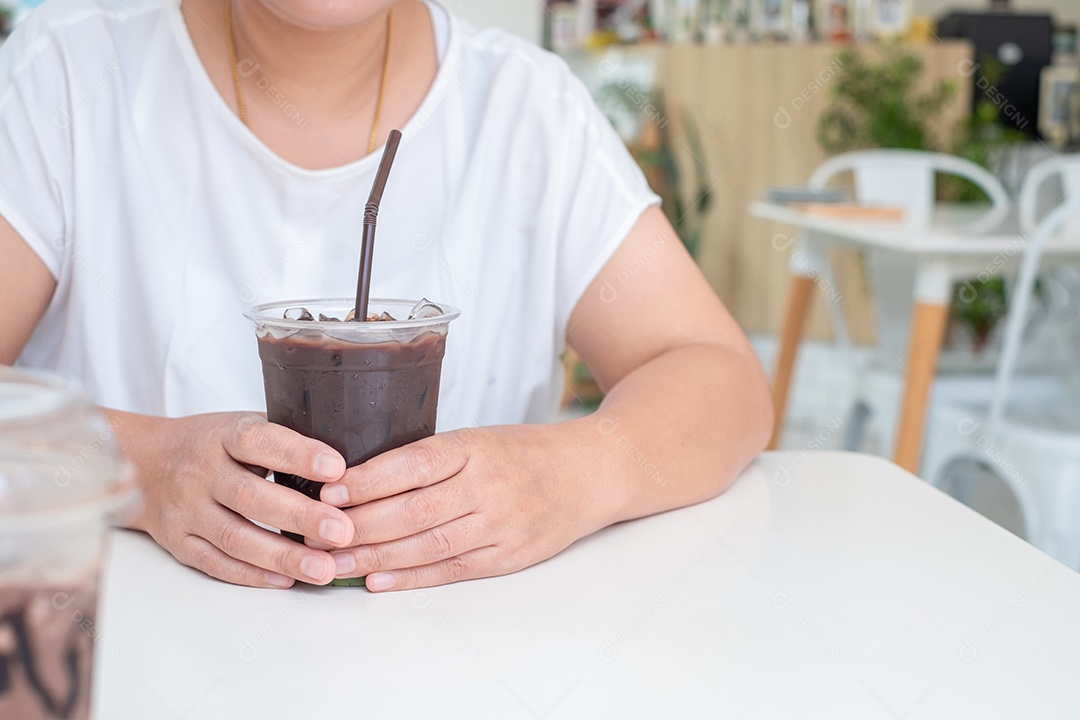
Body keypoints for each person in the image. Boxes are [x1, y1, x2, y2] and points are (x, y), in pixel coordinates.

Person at [0, 0, 772, 592]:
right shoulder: (65, 75)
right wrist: (140, 466)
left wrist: (568, 473)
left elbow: (717, 376)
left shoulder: (525, 110)